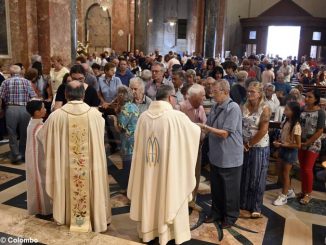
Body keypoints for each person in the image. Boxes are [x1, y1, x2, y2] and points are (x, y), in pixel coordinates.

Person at [128, 85, 200, 245]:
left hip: (147, 171)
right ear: (170, 98)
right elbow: (194, 133)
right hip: (168, 172)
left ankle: (148, 232)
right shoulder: (177, 117)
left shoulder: (143, 117)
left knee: (149, 193)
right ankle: (168, 234)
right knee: (168, 193)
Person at [38, 81, 111, 232]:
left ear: (65, 95)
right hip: (90, 167)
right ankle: (94, 218)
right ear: (83, 95)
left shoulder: (56, 116)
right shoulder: (95, 115)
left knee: (68, 182)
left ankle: (66, 216)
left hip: (66, 168)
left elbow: (41, 137)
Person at [198, 80, 243, 228]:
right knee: (216, 187)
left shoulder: (233, 108)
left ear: (225, 91)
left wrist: (205, 127)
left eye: (215, 92)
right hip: (216, 155)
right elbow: (208, 127)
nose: (212, 95)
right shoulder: (217, 106)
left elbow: (225, 133)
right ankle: (216, 212)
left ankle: (230, 216)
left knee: (229, 190)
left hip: (230, 157)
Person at [241, 82, 271, 218]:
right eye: (248, 91)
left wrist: (249, 144)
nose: (249, 94)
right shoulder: (244, 106)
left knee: (257, 177)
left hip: (258, 146)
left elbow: (263, 130)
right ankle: (244, 203)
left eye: (252, 92)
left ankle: (256, 206)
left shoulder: (265, 108)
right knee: (245, 175)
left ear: (259, 94)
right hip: (243, 145)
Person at [0, 65, 36, 163]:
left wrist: (1, 110)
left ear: (10, 73)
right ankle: (23, 154)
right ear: (20, 72)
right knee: (24, 133)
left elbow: (1, 97)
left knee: (12, 133)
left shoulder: (5, 82)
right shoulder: (27, 82)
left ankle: (15, 155)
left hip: (11, 109)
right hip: (25, 109)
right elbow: (33, 96)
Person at [179, 84, 206, 211]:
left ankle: (192, 200)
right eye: (202, 95)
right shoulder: (180, 108)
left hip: (197, 147)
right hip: (183, 149)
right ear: (194, 97)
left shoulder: (200, 108)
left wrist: (201, 137)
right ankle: (181, 199)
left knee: (196, 174)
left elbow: (205, 127)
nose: (204, 98)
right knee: (182, 174)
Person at [298, 89, 325, 205]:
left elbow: (319, 131)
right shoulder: (302, 109)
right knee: (302, 168)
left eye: (310, 97)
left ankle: (308, 193)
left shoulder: (320, 112)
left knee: (308, 169)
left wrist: (308, 142)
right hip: (301, 141)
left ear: (316, 99)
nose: (307, 98)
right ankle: (303, 191)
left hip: (313, 143)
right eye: (306, 96)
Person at [25, 100, 52, 216]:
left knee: (36, 182)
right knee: (42, 183)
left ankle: (38, 208)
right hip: (39, 159)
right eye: (43, 108)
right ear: (37, 112)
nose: (45, 109)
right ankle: (43, 211)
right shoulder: (40, 127)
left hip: (33, 157)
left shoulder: (32, 123)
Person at [110, 86, 139, 189]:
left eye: (118, 94)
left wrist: (114, 118)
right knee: (133, 163)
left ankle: (128, 187)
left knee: (127, 164)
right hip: (135, 137)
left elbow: (120, 128)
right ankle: (133, 186)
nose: (117, 97)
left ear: (122, 96)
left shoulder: (125, 108)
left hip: (127, 140)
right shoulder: (134, 106)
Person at [273, 102, 301, 206]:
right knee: (279, 170)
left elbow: (298, 145)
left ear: (293, 112)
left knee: (285, 174)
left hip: (290, 151)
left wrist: (284, 145)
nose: (284, 111)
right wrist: (278, 143)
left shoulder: (296, 126)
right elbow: (283, 136)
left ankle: (284, 196)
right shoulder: (285, 122)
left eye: (287, 110)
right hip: (283, 149)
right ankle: (289, 190)